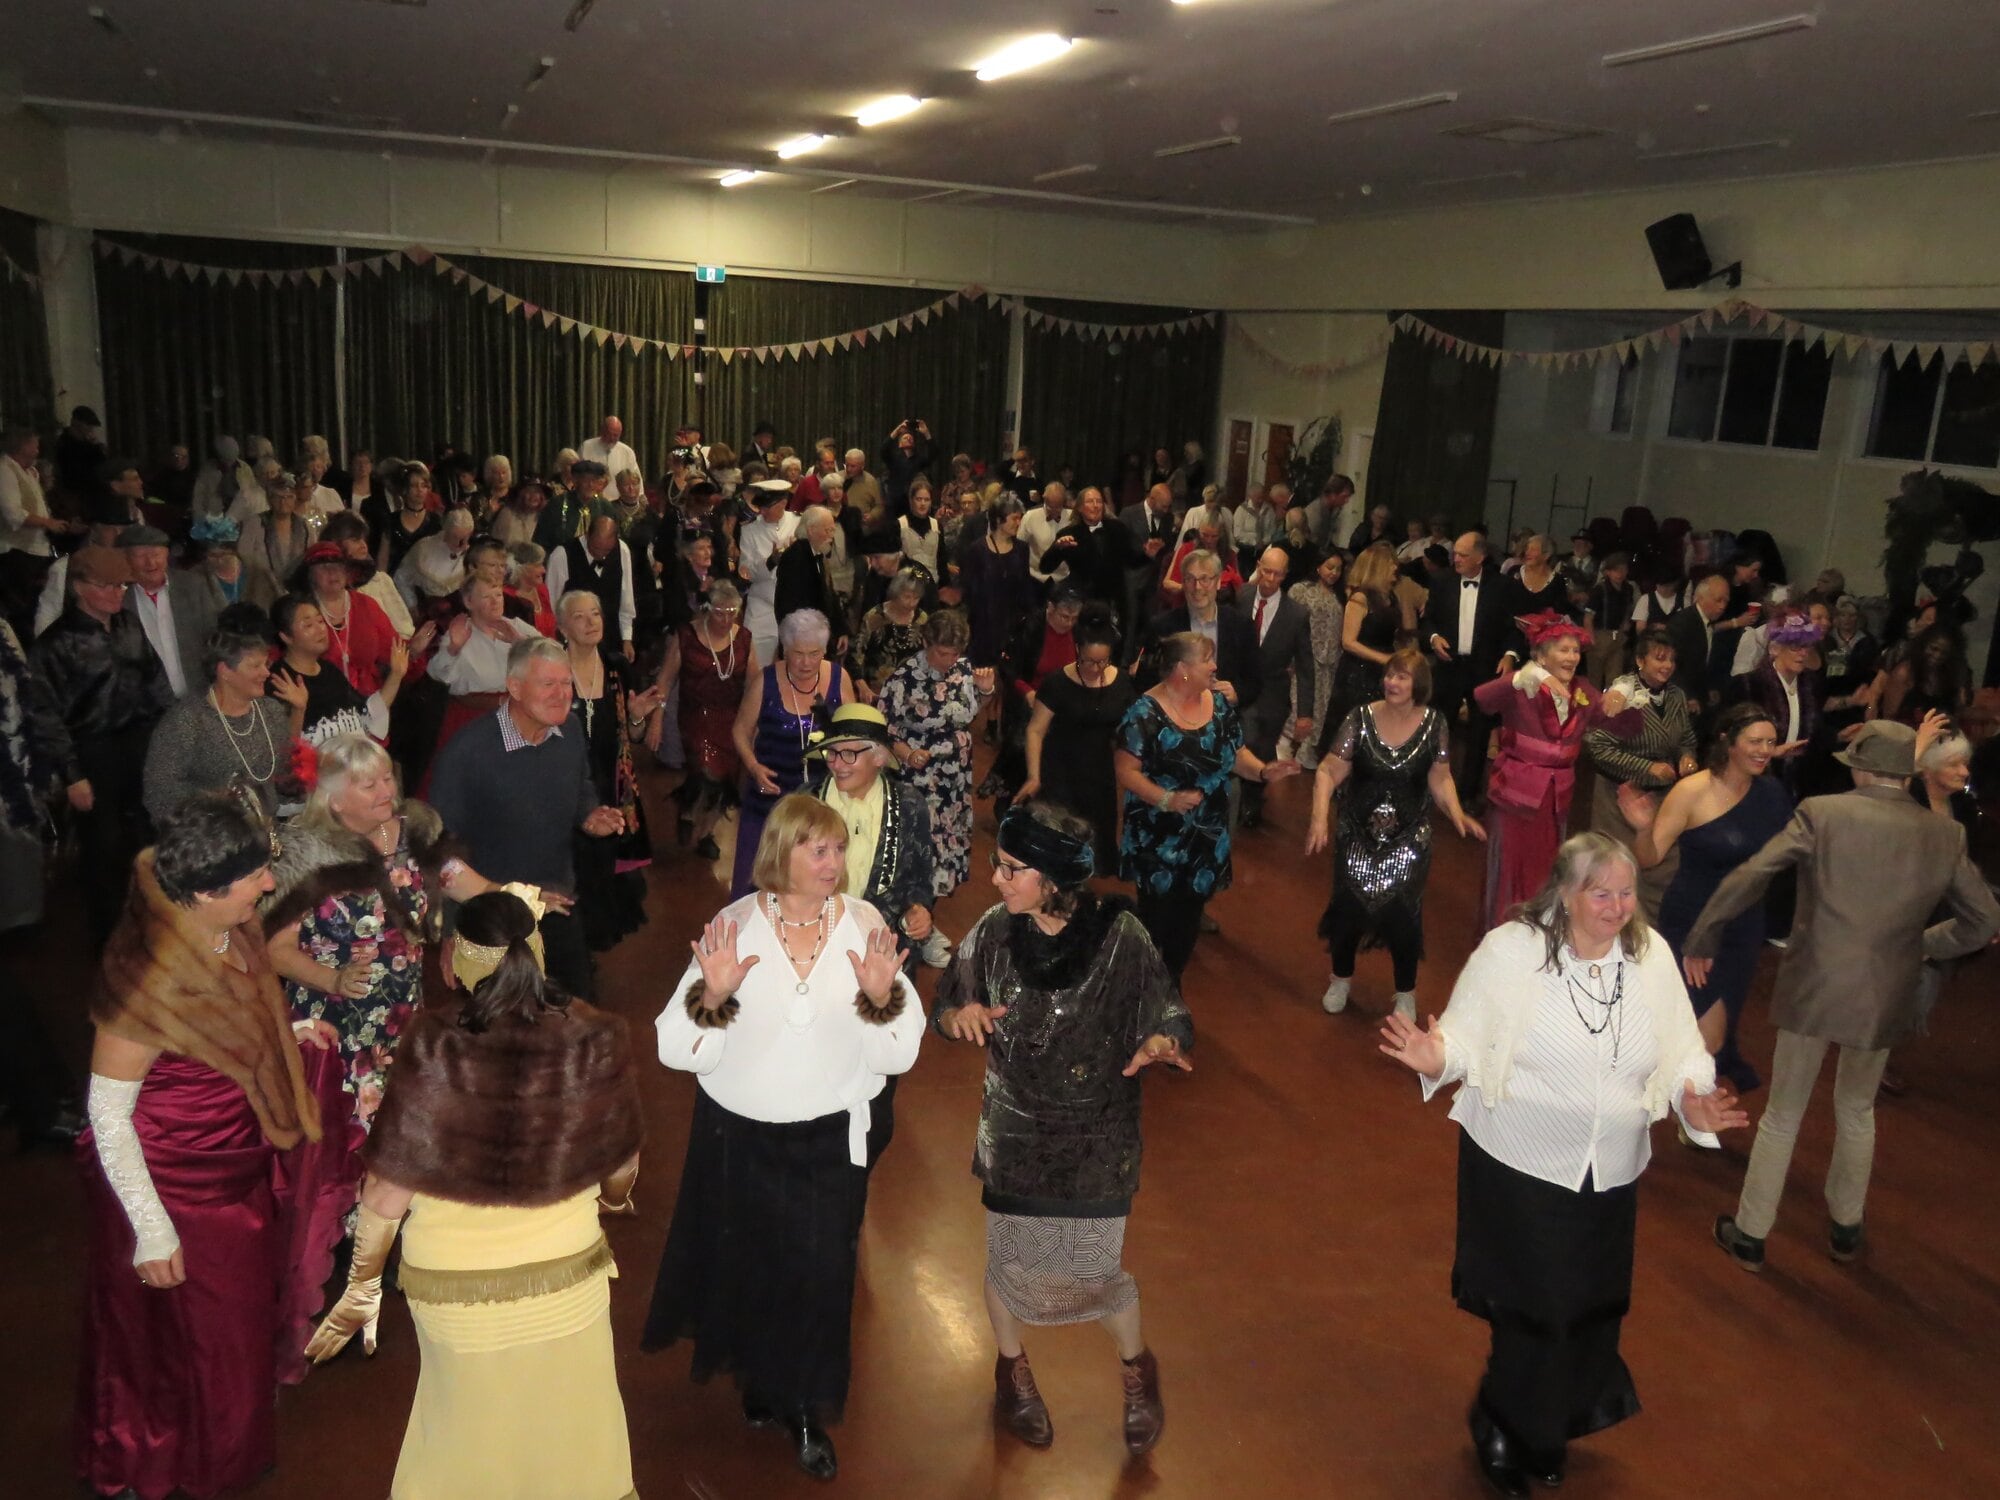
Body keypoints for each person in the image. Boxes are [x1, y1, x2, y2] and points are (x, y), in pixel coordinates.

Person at [1380, 832, 1747, 1496]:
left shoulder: (1649, 954)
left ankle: (1542, 1427)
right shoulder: (1513, 952)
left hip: (1609, 1169)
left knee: (1588, 1308)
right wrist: (1436, 1059)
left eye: (1626, 893)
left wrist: (1694, 1102)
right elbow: (1461, 1036)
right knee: (1536, 1310)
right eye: (1600, 893)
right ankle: (1506, 1427)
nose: (1616, 907)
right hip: (1519, 1164)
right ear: (1565, 892)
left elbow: (1683, 1049)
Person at [306, 888, 645, 1500]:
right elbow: (622, 1163)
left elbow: (387, 1190)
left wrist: (362, 1284)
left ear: (455, 962)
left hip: (456, 1289)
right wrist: (614, 1201)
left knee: (465, 1436)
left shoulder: (433, 1044)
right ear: (535, 952)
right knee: (574, 1432)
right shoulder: (595, 1037)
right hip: (566, 1276)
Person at [79, 792, 352, 1500]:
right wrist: (150, 1228)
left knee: (232, 1335)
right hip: (173, 1185)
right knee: (184, 1347)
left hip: (233, 1165)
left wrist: (283, 1040)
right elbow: (108, 1115)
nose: (269, 885)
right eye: (256, 876)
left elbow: (233, 1019)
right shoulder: (148, 978)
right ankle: (170, 1467)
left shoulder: (230, 927)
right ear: (203, 890)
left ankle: (227, 1453)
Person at [644, 794, 924, 1482]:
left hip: (828, 1139)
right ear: (782, 852)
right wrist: (710, 996)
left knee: (822, 1277)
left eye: (838, 850)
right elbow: (674, 1049)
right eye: (818, 850)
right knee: (756, 1267)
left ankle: (805, 1407)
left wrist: (885, 995)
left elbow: (897, 1054)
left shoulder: (864, 925)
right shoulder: (734, 926)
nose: (834, 863)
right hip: (741, 1134)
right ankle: (764, 1385)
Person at [1688, 717, 1999, 1271]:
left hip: (1815, 984)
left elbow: (1752, 873)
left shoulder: (1823, 813)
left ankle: (1752, 1234)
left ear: (1859, 766)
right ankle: (1846, 1229)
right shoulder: (1943, 834)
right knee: (1856, 1109)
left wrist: (1705, 932)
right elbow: (1982, 922)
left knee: (1784, 1113)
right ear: (1908, 773)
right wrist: (1922, 945)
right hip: (1885, 990)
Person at [933, 801, 1189, 1456]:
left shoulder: (1120, 936)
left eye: (1013, 869)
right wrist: (957, 1015)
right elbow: (952, 996)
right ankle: (1011, 1370)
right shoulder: (994, 930)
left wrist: (1160, 1038)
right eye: (998, 864)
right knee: (1008, 1256)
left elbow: (1164, 1004)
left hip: (1097, 1133)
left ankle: (1138, 1369)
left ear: (1054, 878)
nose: (996, 879)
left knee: (1095, 1270)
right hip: (1016, 1127)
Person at [428, 637, 629, 999]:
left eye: (566, 682)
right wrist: (449, 933)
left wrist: (588, 814)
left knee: (575, 1016)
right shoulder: (466, 753)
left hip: (557, 905)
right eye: (547, 683)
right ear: (515, 687)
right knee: (503, 1037)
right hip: (493, 919)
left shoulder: (568, 733)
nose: (561, 694)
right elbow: (442, 854)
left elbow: (580, 783)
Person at [1619, 703, 1790, 1092]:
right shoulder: (1692, 792)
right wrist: (1644, 827)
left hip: (1745, 924)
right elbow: (1648, 859)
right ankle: (1681, 1105)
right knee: (1704, 1029)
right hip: (1694, 921)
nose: (1764, 750)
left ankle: (1681, 1089)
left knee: (1724, 1014)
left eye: (1770, 742)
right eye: (1755, 741)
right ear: (1728, 741)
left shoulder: (1774, 795)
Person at [1305, 648, 1483, 1020]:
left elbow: (1441, 777)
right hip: (1356, 837)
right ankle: (1340, 979)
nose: (1391, 682)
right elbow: (1327, 771)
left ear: (1418, 684)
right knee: (1348, 911)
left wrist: (1457, 815)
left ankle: (1405, 992)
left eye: (1401, 676)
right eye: (1389, 675)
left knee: (1403, 918)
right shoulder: (1361, 718)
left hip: (1408, 842)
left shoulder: (1435, 724)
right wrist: (1320, 818)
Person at [1115, 632, 1300, 981]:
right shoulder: (1144, 712)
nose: (1215, 666)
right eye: (1207, 659)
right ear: (1183, 669)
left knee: (1188, 919)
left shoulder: (1217, 705)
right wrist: (1167, 799)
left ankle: (1172, 986)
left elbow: (1233, 755)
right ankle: (1145, 991)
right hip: (1157, 835)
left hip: (1206, 834)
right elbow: (1126, 771)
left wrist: (1262, 771)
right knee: (1156, 921)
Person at [26, 546, 175, 940]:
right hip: (92, 751)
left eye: (122, 584)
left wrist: (169, 734)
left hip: (138, 742)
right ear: (79, 588)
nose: (118, 592)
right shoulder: (54, 645)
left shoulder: (128, 625)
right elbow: (45, 716)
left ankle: (154, 926)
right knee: (103, 851)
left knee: (149, 838)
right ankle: (110, 940)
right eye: (107, 585)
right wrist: (72, 775)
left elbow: (155, 680)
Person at [1474, 612, 1633, 930]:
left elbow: (1624, 726)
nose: (1572, 657)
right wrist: (1527, 674)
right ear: (1540, 653)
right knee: (1509, 868)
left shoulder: (1583, 690)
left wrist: (1626, 693)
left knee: (1545, 870)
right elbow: (1482, 699)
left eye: (1575, 650)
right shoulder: (1522, 686)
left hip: (1556, 800)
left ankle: (1536, 933)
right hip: (1515, 796)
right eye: (1563, 649)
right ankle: (1501, 935)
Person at [877, 610, 997, 953]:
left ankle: (927, 923)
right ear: (927, 643)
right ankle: (909, 926)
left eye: (955, 652)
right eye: (943, 652)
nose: (949, 660)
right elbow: (883, 728)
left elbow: (971, 714)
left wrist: (986, 692)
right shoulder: (903, 678)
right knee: (920, 852)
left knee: (946, 852)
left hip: (954, 781)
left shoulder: (962, 670)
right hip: (919, 781)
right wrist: (905, 752)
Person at [557, 590, 662, 951]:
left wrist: (637, 716)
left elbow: (630, 734)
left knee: (602, 874)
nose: (591, 623)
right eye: (580, 617)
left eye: (596, 615)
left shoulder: (616, 666)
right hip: (565, 785)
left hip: (610, 784)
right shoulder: (553, 669)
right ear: (562, 627)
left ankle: (589, 950)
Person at [804, 703, 938, 965]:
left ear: (878, 758)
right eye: (831, 752)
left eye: (849, 754)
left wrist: (920, 911)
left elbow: (920, 880)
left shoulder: (910, 805)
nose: (837, 764)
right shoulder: (805, 802)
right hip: (812, 945)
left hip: (879, 952)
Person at [143, 612, 307, 825]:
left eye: (265, 664)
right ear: (225, 671)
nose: (266, 672)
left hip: (266, 832)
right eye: (255, 666)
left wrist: (302, 777)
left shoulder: (271, 711)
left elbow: (284, 771)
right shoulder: (186, 720)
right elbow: (158, 791)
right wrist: (216, 801)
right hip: (211, 835)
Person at [731, 607, 850, 899]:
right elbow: (740, 731)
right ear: (784, 649)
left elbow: (850, 734)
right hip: (770, 799)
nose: (807, 662)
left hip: (822, 801)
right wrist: (753, 766)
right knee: (757, 880)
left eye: (815, 653)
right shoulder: (765, 681)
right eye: (798, 653)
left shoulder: (839, 677)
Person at [1583, 629, 1698, 922]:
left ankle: (1649, 934)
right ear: (1639, 660)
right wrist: (1646, 767)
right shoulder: (1622, 696)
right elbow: (1597, 747)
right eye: (1659, 658)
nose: (1667, 666)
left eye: (1672, 660)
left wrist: (1687, 757)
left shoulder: (1675, 696)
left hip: (1660, 796)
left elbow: (1686, 737)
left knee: (1660, 868)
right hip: (1619, 796)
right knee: (1615, 869)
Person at [1018, 603, 1138, 869]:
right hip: (1060, 770)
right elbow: (1036, 729)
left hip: (1099, 774)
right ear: (1077, 651)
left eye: (1102, 661)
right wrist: (1034, 776)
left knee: (1093, 852)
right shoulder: (1057, 683)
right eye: (1088, 661)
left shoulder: (1122, 683)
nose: (1096, 668)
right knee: (1060, 847)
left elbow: (1132, 730)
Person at [658, 578, 750, 861]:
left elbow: (755, 682)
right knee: (706, 767)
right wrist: (656, 718)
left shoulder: (744, 638)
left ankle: (707, 832)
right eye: (720, 611)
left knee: (726, 779)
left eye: (732, 611)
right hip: (696, 716)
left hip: (730, 718)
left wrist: (754, 720)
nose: (726, 618)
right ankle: (688, 811)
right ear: (708, 609)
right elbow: (665, 680)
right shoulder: (686, 635)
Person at [1236, 546, 1317, 828]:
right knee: (1244, 739)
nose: (1270, 579)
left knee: (1262, 743)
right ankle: (1245, 797)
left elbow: (1306, 667)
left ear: (1285, 576)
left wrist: (1305, 713)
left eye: (1277, 574)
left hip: (1273, 692)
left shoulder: (1296, 614)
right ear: (1258, 566)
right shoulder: (1242, 596)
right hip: (1240, 686)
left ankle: (1252, 800)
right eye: (1266, 571)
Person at [271, 593, 407, 745]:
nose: (320, 629)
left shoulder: (329, 670)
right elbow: (282, 748)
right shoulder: (278, 680)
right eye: (308, 625)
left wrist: (396, 675)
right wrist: (298, 710)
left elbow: (367, 715)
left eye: (321, 621)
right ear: (286, 637)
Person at [994, 583, 1084, 804]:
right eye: (1064, 616)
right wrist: (1028, 693)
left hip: (1061, 707)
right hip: (1028, 702)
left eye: (1074, 618)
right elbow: (1009, 668)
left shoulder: (1078, 632)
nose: (1069, 623)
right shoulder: (1029, 627)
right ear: (1050, 608)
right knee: (1021, 760)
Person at [118, 522, 222, 699]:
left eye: (156, 554)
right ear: (126, 558)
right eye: (141, 555)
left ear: (167, 554)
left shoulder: (193, 586)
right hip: (148, 705)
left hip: (199, 695)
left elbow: (215, 635)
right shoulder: (119, 599)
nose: (150, 562)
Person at [958, 493, 1035, 671]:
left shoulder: (1022, 549)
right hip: (983, 626)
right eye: (1014, 518)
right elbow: (969, 591)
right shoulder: (977, 550)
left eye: (1020, 518)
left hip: (1012, 626)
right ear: (999, 519)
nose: (1019, 523)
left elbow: (1025, 586)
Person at [1330, 542, 1401, 728]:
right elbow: (1348, 642)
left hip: (1384, 670)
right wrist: (1382, 658)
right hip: (1359, 673)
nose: (1395, 567)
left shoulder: (1391, 597)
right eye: (1391, 563)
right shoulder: (1360, 598)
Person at [1288, 549, 1347, 768]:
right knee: (1299, 706)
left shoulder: (1339, 596)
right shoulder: (1301, 590)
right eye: (1329, 567)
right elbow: (1289, 624)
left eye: (1338, 569)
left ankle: (1308, 752)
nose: (1333, 573)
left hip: (1330, 662)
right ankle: (1290, 751)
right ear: (1318, 566)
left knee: (1321, 709)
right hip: (1304, 658)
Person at [848, 569, 928, 699]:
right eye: (907, 597)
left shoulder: (922, 619)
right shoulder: (874, 617)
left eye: (916, 598)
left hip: (912, 694)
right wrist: (862, 687)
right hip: (875, 692)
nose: (911, 603)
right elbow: (855, 655)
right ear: (895, 594)